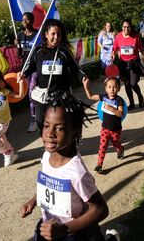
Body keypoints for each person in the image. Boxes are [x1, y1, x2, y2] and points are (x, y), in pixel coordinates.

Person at [20, 91, 109, 241]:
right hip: (49, 226)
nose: (50, 133)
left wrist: (65, 229)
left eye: (59, 128)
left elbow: (100, 209)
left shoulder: (77, 173)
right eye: (46, 126)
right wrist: (34, 200)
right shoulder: (47, 156)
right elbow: (50, 183)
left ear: (75, 133)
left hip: (73, 233)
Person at [20, 18, 86, 132]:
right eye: (53, 34)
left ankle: (68, 145)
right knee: (41, 122)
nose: (56, 37)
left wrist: (83, 77)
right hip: (43, 95)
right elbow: (30, 67)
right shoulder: (37, 51)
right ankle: (49, 146)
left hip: (62, 94)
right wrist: (23, 74)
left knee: (63, 122)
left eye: (58, 34)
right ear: (46, 34)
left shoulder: (64, 52)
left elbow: (76, 68)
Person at [82, 77, 124, 173]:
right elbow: (91, 96)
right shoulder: (104, 97)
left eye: (115, 87)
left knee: (115, 143)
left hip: (116, 129)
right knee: (102, 146)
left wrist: (112, 109)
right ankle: (99, 165)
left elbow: (121, 114)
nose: (112, 89)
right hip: (105, 128)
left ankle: (121, 149)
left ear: (119, 88)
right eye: (109, 87)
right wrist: (86, 87)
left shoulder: (119, 100)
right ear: (106, 88)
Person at [0, 69, 24, 167]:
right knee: (2, 140)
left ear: (0, 81)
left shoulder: (5, 92)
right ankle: (13, 154)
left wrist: (22, 83)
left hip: (3, 123)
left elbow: (19, 95)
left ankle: (7, 152)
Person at [112, 19, 144, 111]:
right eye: (124, 27)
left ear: (130, 27)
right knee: (127, 84)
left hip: (134, 63)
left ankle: (140, 97)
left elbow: (141, 50)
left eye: (128, 27)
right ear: (122, 27)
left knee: (133, 84)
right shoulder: (118, 37)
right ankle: (132, 103)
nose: (126, 29)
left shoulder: (135, 37)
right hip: (123, 64)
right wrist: (113, 54)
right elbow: (115, 48)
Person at [15, 12, 39, 133]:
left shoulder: (37, 35)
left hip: (36, 68)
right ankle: (37, 115)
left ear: (32, 20)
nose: (24, 22)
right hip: (25, 69)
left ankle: (34, 120)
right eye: (23, 20)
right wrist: (17, 46)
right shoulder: (19, 35)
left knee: (31, 93)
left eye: (27, 20)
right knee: (33, 94)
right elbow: (19, 55)